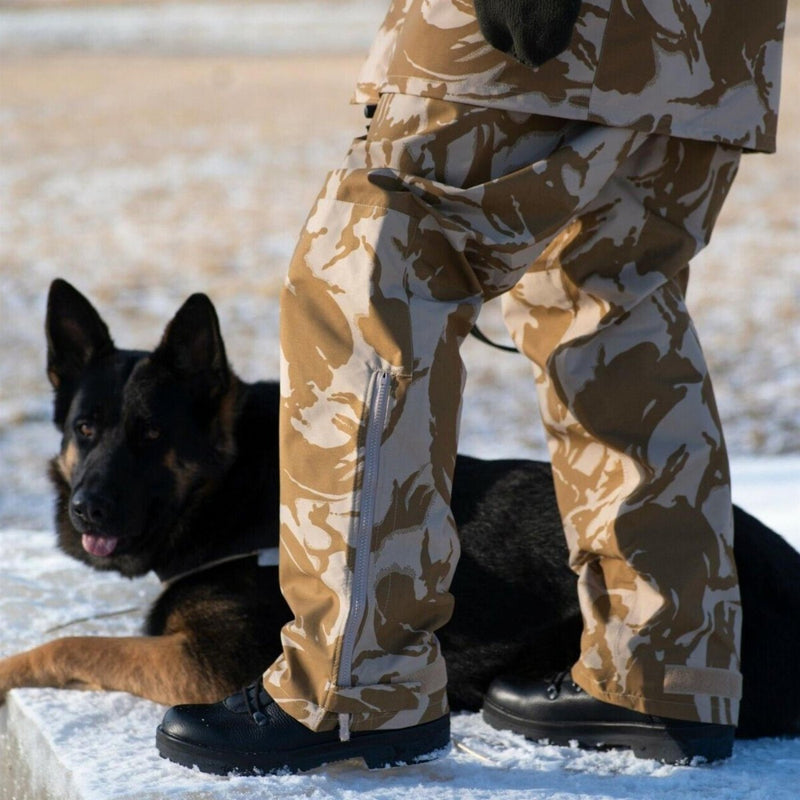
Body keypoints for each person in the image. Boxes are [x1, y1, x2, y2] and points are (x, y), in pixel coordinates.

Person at [155, 0, 788, 774]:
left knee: (370, 260)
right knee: (612, 295)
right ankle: (662, 667)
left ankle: (356, 684)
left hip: (565, 26)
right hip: (714, 35)